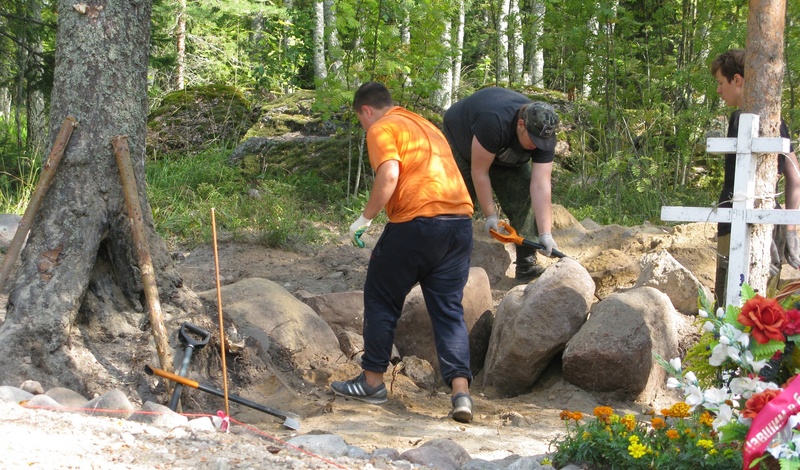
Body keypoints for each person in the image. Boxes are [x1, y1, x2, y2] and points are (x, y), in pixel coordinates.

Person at [331, 81, 476, 423]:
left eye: (361, 120)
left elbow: (390, 173)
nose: (364, 127)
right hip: (459, 225)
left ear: (366, 110)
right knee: (448, 311)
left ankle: (372, 383)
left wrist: (364, 219)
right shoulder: (424, 125)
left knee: (381, 299)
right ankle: (461, 393)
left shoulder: (381, 127)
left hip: (418, 224)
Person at [710, 49, 800, 307]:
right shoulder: (777, 121)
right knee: (763, 310)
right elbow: (795, 178)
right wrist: (791, 229)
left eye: (720, 82)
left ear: (737, 80)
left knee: (729, 306)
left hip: (736, 220)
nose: (718, 90)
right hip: (773, 220)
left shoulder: (740, 118)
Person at [442, 87, 560, 281]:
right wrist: (490, 215)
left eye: (542, 141)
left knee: (523, 196)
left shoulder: (544, 135)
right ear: (521, 124)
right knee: (461, 200)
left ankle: (526, 264)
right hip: (463, 138)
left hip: (504, 149)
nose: (538, 145)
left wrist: (545, 234)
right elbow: (479, 171)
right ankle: (443, 262)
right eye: (534, 140)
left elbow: (541, 185)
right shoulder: (494, 121)